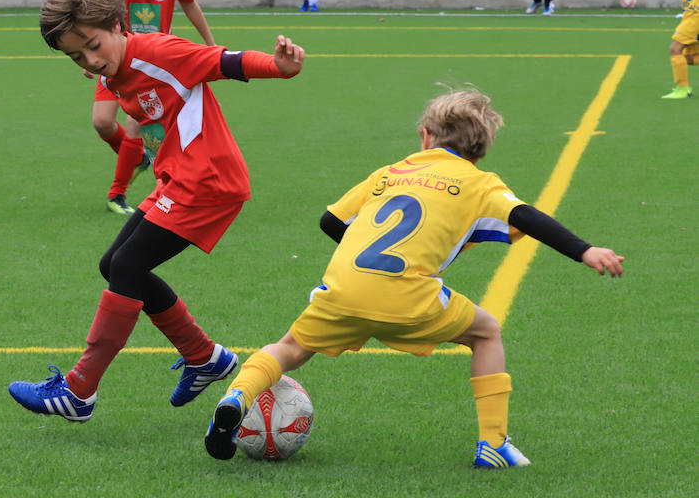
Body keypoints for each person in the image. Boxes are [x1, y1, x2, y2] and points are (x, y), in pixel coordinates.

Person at [204, 88, 624, 467]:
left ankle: (236, 397)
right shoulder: (480, 183)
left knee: (290, 347)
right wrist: (585, 250)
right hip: (409, 298)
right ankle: (493, 445)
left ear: (425, 136)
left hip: (342, 289)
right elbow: (525, 217)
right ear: (479, 151)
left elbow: (330, 221)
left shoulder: (391, 172)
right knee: (486, 333)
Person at [8, 0, 305, 423]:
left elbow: (223, 61)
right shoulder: (112, 69)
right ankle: (204, 357)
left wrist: (280, 68)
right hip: (179, 179)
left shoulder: (159, 52)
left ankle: (79, 388)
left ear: (117, 25)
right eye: (76, 57)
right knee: (115, 265)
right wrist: (101, 70)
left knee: (127, 265)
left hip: (207, 182)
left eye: (93, 46)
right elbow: (113, 109)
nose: (89, 60)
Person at [93, 0, 217, 215]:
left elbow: (189, 4)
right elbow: (102, 7)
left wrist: (208, 41)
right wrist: (91, 52)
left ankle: (116, 195)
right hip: (114, 55)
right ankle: (136, 158)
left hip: (150, 63)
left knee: (137, 126)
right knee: (103, 123)